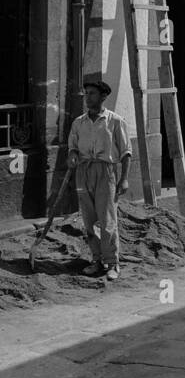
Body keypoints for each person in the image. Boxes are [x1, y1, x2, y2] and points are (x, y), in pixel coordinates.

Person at [66, 77, 132, 281]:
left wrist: (124, 179)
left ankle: (112, 262)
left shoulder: (115, 121)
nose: (88, 97)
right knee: (89, 219)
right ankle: (96, 260)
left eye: (92, 93)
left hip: (106, 172)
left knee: (107, 219)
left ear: (103, 96)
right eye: (86, 93)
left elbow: (126, 152)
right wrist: (73, 155)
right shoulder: (79, 122)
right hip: (83, 172)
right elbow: (72, 147)